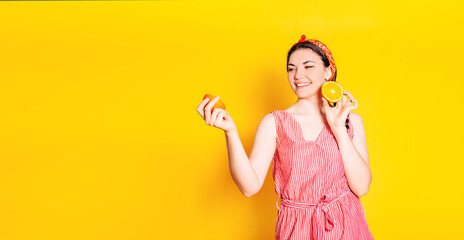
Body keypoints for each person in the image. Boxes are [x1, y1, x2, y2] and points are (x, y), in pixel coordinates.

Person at [196, 35, 374, 240]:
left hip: (347, 226)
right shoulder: (274, 123)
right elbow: (249, 187)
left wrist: (338, 129)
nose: (298, 75)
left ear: (328, 72)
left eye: (308, 66)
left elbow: (361, 186)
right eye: (291, 68)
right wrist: (230, 132)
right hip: (297, 228)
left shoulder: (351, 120)